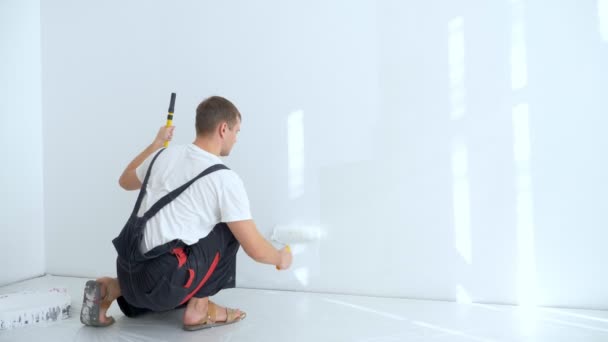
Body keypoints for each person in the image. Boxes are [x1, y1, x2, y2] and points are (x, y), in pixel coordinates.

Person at [80, 96, 292, 331]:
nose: (236, 138)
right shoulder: (224, 178)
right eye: (236, 131)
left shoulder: (161, 156)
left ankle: (111, 287)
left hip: (128, 270)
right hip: (162, 287)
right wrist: (280, 258)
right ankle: (198, 310)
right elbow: (255, 249)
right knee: (230, 228)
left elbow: (125, 180)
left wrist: (156, 143)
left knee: (165, 255)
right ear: (223, 128)